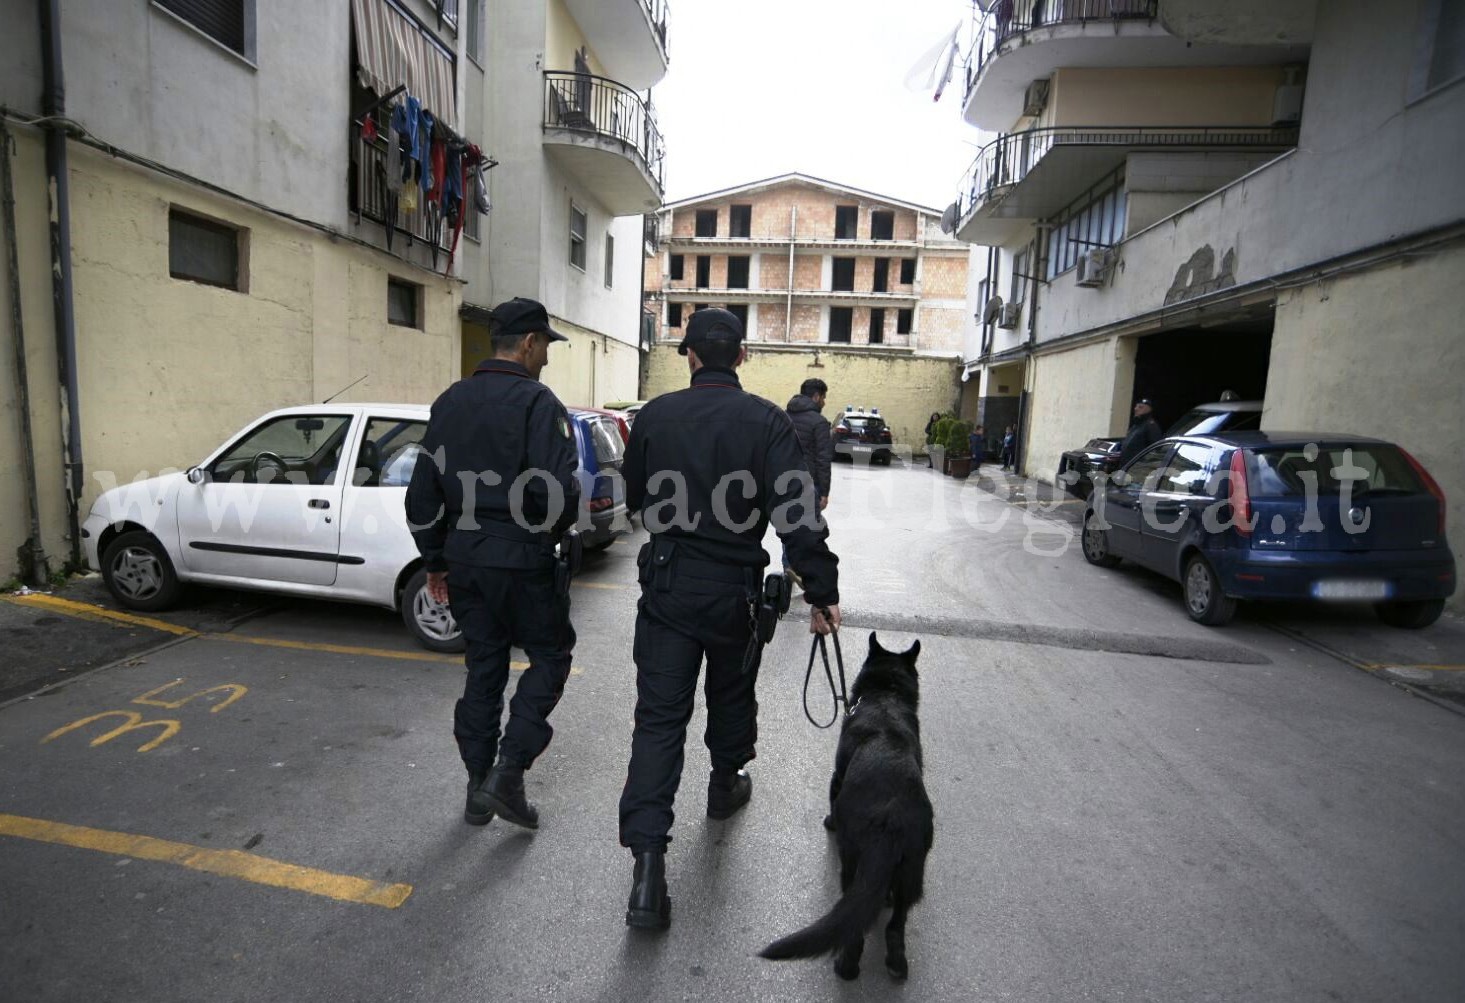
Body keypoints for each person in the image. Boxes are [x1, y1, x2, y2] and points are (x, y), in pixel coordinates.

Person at [619, 308, 841, 931]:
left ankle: (647, 871)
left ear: (687, 355)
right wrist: (821, 592)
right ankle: (724, 783)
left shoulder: (655, 417)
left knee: (659, 721)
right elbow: (796, 515)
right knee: (731, 691)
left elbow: (635, 497)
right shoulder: (768, 422)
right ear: (741, 356)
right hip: (735, 591)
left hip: (666, 585)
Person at [405, 297, 580, 832]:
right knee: (550, 656)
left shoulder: (449, 402)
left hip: (464, 559)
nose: (547, 356)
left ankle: (478, 786)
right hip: (522, 559)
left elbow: (422, 496)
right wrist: (542, 537)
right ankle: (507, 771)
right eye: (546, 345)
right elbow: (558, 493)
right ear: (527, 343)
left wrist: (435, 560)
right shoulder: (538, 403)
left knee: (484, 669)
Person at [784, 377, 833, 585]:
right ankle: (797, 567)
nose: (824, 402)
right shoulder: (819, 422)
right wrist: (824, 492)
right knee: (808, 529)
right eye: (823, 397)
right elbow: (823, 459)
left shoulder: (784, 417)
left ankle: (788, 566)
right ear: (816, 396)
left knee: (787, 524)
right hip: (809, 483)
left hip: (784, 481)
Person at [1118, 398, 1164, 466]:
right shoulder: (1136, 425)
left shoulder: (1151, 426)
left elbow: (1156, 450)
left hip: (1137, 469)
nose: (1136, 409)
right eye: (1136, 406)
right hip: (1126, 466)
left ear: (1149, 410)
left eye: (1140, 407)